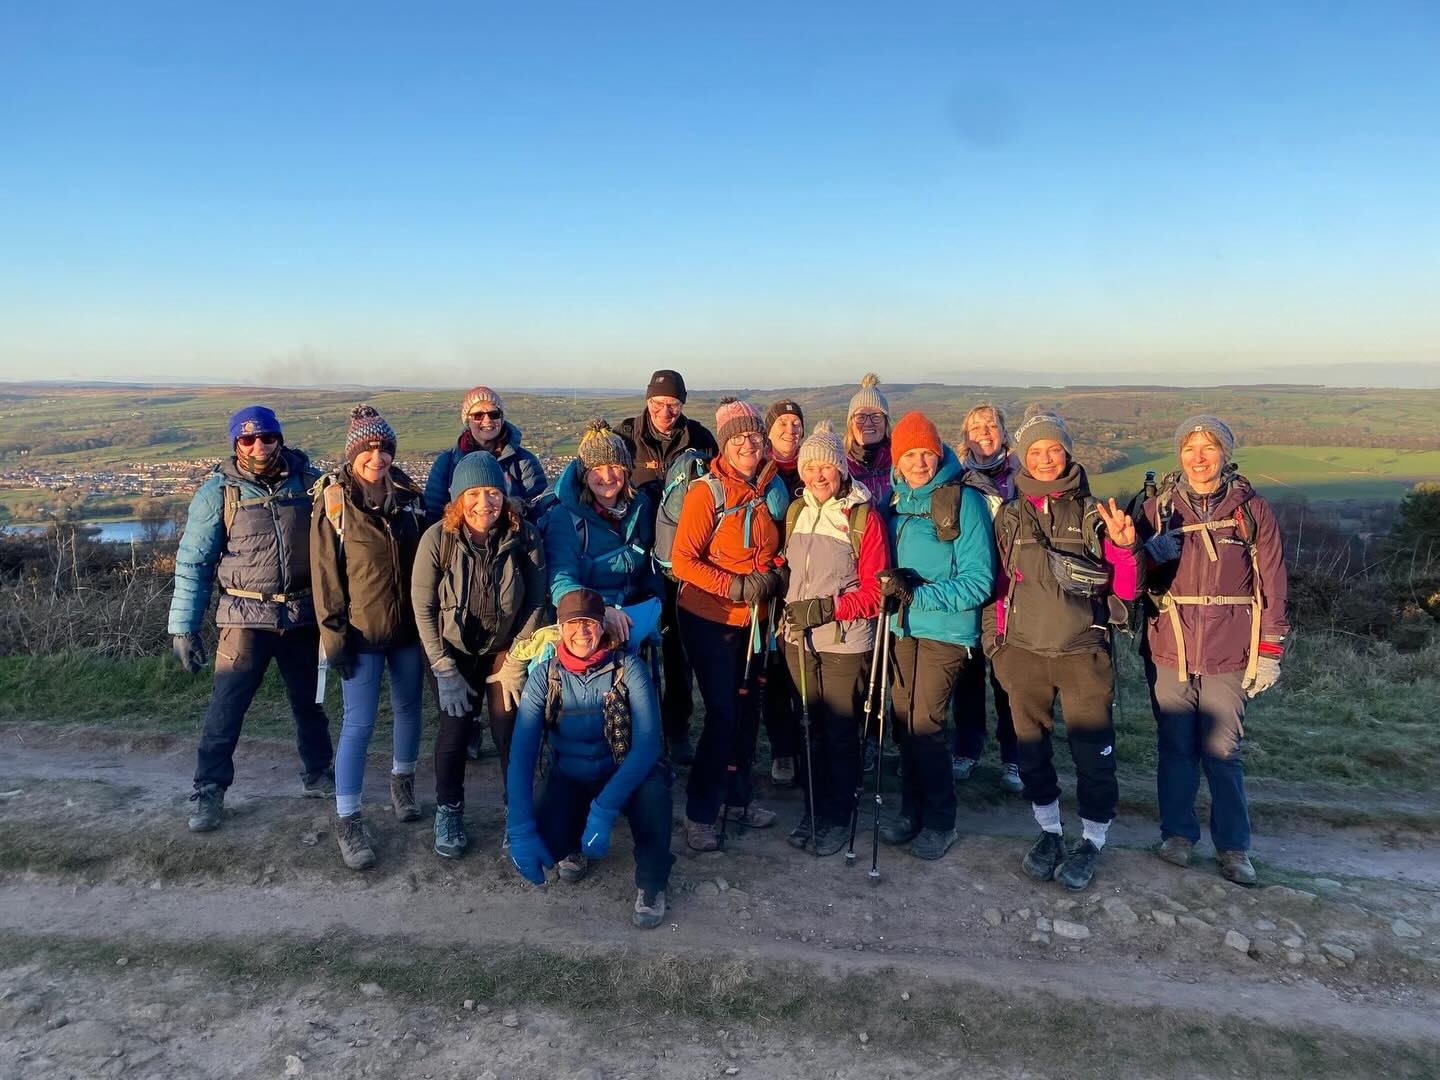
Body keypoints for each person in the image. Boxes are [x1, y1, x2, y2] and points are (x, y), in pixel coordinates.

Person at [989, 411, 1140, 891]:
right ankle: (1049, 832)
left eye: (1053, 449)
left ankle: (1092, 839)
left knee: (1093, 753)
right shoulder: (1010, 516)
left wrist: (1122, 547)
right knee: (1032, 751)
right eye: (1035, 451)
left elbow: (1128, 590)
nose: (1046, 458)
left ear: (1068, 453)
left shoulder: (1096, 512)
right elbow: (995, 585)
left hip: (1082, 652)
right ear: (1023, 459)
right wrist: (997, 648)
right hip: (1023, 653)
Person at [1136, 416, 1289, 886]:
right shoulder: (1157, 507)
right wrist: (1146, 554)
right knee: (1176, 745)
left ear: (1225, 453)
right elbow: (1128, 576)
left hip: (1230, 646)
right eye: (1190, 448)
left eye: (1209, 447)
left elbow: (1273, 584)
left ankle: (1233, 848)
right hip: (1171, 644)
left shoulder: (1251, 510)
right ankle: (1178, 836)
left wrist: (1269, 650)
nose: (1199, 457)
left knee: (1223, 749)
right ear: (1178, 455)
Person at [169, 406, 333, 832]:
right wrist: (184, 627)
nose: (259, 446)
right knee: (227, 706)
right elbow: (193, 563)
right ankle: (208, 790)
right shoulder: (217, 494)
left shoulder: (312, 486)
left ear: (279, 438)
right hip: (244, 616)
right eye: (247, 440)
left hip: (301, 613)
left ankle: (319, 773)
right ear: (235, 444)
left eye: (266, 437)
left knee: (311, 704)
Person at [505, 589, 674, 929]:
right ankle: (572, 846)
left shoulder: (629, 668)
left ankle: (652, 883)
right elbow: (521, 756)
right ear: (559, 628)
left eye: (590, 623)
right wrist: (519, 828)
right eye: (573, 623)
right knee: (547, 843)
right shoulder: (545, 676)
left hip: (623, 775)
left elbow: (646, 745)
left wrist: (604, 809)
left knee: (655, 794)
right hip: (569, 774)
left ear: (603, 626)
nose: (582, 631)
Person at [411, 452, 546, 859]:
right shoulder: (438, 538)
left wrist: (518, 656)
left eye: (492, 492)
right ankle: (449, 810)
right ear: (457, 498)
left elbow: (537, 600)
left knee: (510, 731)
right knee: (454, 731)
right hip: (450, 650)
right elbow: (423, 607)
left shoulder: (525, 537)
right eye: (473, 493)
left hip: (504, 648)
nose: (484, 502)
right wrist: (442, 667)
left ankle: (516, 813)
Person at [874, 413, 996, 861]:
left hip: (946, 630)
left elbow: (979, 581)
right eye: (909, 454)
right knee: (904, 721)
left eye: (926, 452)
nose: (919, 462)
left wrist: (917, 594)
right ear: (897, 459)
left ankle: (941, 821)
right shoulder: (893, 500)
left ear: (939, 451)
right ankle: (912, 812)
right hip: (901, 629)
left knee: (925, 722)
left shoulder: (963, 500)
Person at [310, 405, 427, 870]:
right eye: (368, 449)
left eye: (384, 448)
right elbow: (326, 579)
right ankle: (348, 817)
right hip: (358, 633)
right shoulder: (335, 506)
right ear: (353, 453)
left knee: (409, 710)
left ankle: (403, 785)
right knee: (358, 724)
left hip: (406, 632)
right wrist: (334, 638)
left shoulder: (409, 498)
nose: (376, 457)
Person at [670, 397, 788, 851]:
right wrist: (736, 587)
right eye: (738, 437)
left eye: (754, 436)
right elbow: (683, 561)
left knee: (747, 712)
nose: (748, 444)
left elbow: (769, 548)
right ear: (724, 443)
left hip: (755, 620)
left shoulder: (766, 488)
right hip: (710, 618)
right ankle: (700, 812)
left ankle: (737, 799)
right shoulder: (707, 492)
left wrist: (776, 572)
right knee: (722, 714)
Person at [780, 422, 889, 855]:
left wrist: (828, 608)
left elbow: (876, 591)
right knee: (809, 728)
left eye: (825, 465)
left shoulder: (863, 517)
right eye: (810, 467)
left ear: (841, 469)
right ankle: (812, 810)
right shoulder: (795, 511)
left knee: (840, 732)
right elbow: (788, 568)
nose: (817, 474)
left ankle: (837, 816)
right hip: (797, 637)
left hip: (845, 640)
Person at [618, 370, 719, 765]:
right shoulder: (627, 435)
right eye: (657, 404)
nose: (664, 411)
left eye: (672, 404)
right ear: (647, 402)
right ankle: (636, 730)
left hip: (684, 558)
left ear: (683, 404)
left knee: (678, 651)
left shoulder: (700, 439)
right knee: (634, 649)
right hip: (638, 555)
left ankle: (676, 730)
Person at [951, 403, 1023, 793]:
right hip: (968, 587)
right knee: (967, 673)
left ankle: (1014, 756)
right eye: (974, 426)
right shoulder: (956, 478)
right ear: (964, 436)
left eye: (990, 425)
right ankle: (967, 748)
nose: (983, 431)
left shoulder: (1022, 477)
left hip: (1011, 591)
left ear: (1003, 432)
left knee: (1009, 678)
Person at [544, 419, 661, 631]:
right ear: (584, 474)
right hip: (587, 620)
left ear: (626, 471)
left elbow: (652, 564)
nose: (607, 476)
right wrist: (601, 609)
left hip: (634, 611)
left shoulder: (641, 507)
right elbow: (561, 578)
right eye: (597, 468)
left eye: (615, 466)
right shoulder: (567, 516)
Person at [762, 398, 806, 787]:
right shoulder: (760, 470)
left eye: (796, 424)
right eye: (782, 424)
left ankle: (807, 745)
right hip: (771, 584)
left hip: (808, 580)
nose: (790, 430)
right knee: (774, 670)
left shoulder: (815, 469)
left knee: (805, 667)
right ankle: (782, 750)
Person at [422, 386, 546, 525]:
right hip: (460, 540)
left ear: (501, 418)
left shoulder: (524, 461)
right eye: (478, 415)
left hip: (514, 540)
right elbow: (433, 513)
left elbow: (539, 510)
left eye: (494, 414)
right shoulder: (447, 463)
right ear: (467, 421)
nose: (487, 420)